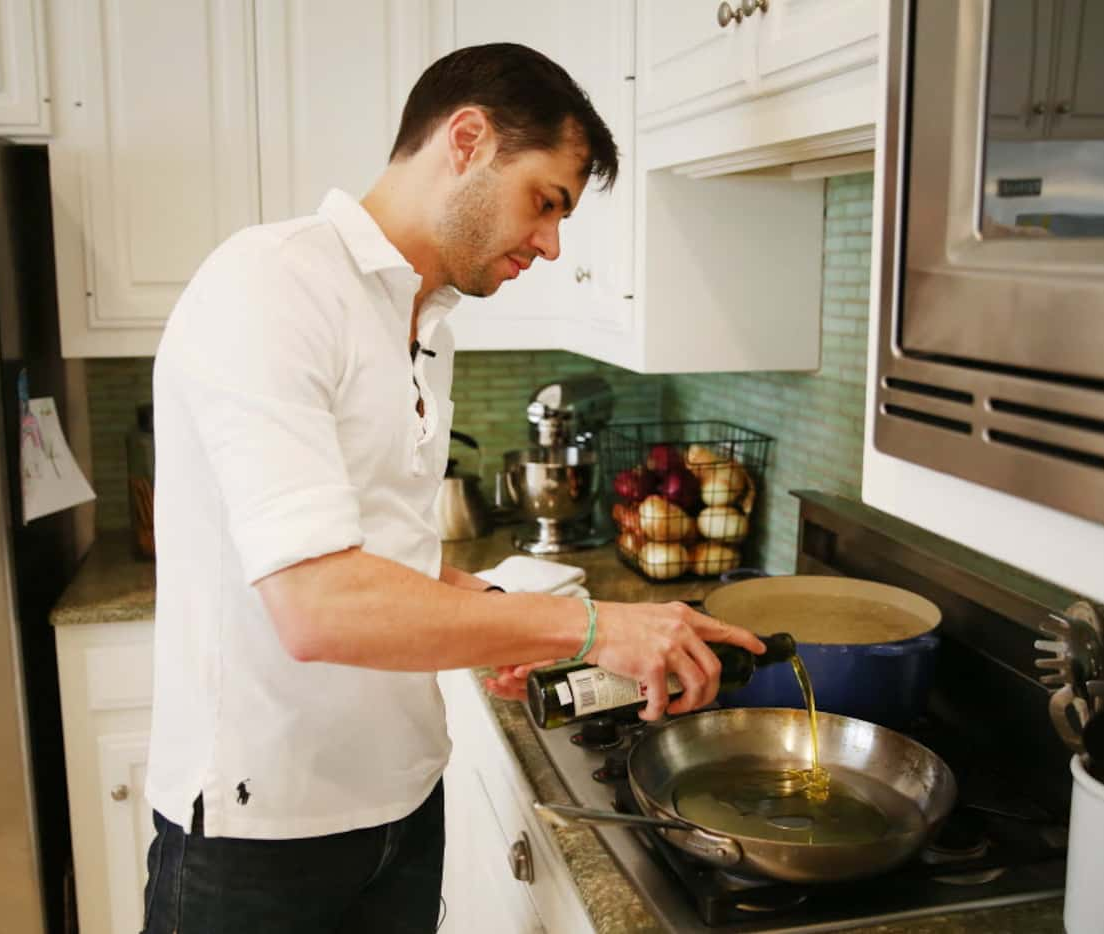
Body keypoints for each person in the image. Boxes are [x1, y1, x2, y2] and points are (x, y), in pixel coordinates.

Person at [139, 42, 765, 934]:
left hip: (400, 802)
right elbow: (318, 605)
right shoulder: (272, 284)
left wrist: (497, 613)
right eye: (545, 202)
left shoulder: (429, 321)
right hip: (260, 829)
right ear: (466, 139)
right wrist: (592, 624)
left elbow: (373, 558)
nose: (551, 245)